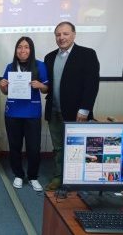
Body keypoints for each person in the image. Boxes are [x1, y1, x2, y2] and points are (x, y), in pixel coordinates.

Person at [44, 21, 100, 191]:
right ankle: (58, 177)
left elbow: (92, 85)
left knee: (77, 148)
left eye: (65, 34)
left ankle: (77, 181)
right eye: (58, 34)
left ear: (74, 35)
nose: (62, 37)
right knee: (58, 147)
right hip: (54, 111)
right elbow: (48, 85)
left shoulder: (87, 54)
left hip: (77, 113)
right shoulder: (49, 57)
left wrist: (84, 109)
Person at [0, 37, 48, 191]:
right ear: (16, 50)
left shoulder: (40, 66)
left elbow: (46, 88)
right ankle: (18, 175)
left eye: (26, 47)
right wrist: (2, 86)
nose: (23, 50)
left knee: (33, 147)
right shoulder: (10, 66)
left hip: (32, 112)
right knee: (15, 146)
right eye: (19, 47)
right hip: (13, 112)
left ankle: (33, 177)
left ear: (31, 49)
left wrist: (40, 85)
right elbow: (5, 91)